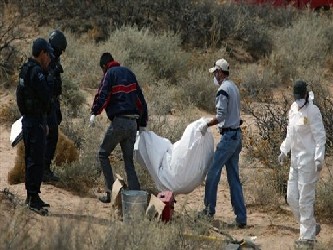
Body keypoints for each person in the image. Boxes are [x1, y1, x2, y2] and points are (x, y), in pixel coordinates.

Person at [90, 52, 148, 203]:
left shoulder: (109, 74)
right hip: (133, 123)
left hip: (120, 122)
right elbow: (140, 100)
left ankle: (110, 194)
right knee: (128, 161)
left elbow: (103, 95)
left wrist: (94, 111)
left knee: (103, 154)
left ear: (104, 66)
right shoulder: (129, 73)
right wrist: (142, 123)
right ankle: (136, 199)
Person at [198, 58, 247, 228]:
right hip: (236, 136)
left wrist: (206, 124)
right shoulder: (233, 86)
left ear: (220, 72)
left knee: (212, 173)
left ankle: (208, 211)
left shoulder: (222, 90)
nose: (214, 75)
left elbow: (221, 116)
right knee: (233, 178)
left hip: (228, 138)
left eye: (215, 72)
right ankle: (241, 217)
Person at [278, 80, 326, 246]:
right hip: (295, 161)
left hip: (309, 161)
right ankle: (311, 226)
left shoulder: (313, 111)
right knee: (292, 198)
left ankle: (307, 238)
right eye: (296, 97)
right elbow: (290, 134)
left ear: (306, 94)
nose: (298, 100)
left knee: (305, 200)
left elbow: (320, 137)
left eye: (301, 97)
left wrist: (319, 158)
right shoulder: (293, 109)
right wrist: (284, 150)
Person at [16, 38, 53, 211]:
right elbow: (46, 97)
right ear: (43, 53)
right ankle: (32, 198)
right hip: (36, 120)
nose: (49, 59)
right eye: (48, 55)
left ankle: (32, 196)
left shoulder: (25, 69)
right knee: (36, 159)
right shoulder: (37, 72)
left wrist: (25, 115)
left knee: (30, 157)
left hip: (28, 120)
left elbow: (19, 96)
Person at [43, 30, 67, 182]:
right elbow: (49, 84)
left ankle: (44, 169)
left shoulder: (50, 57)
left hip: (51, 103)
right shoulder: (49, 59)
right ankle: (44, 170)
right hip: (47, 104)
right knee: (51, 137)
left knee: (50, 137)